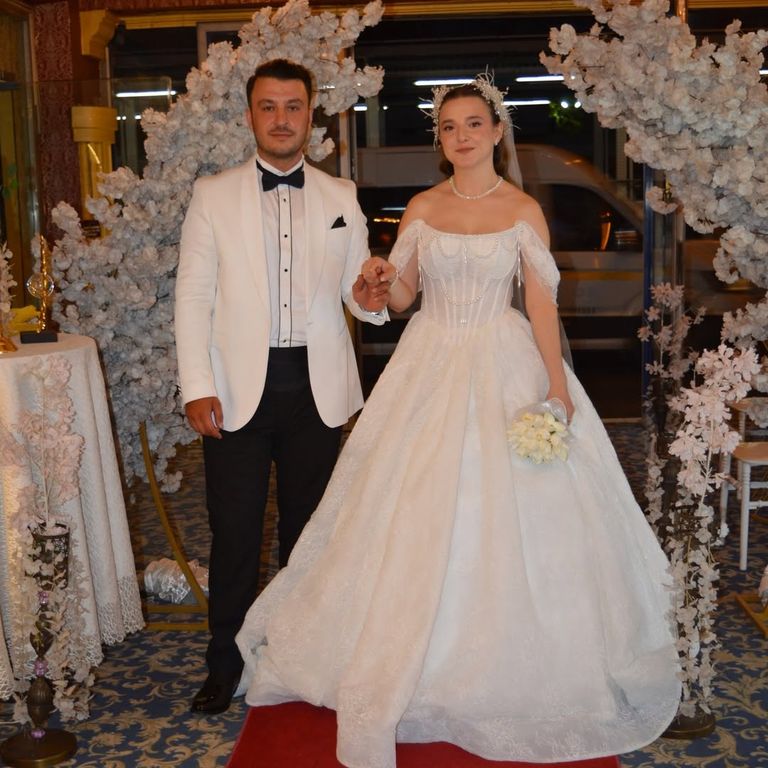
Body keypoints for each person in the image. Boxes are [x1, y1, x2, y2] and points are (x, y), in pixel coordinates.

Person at [235, 74, 681, 766]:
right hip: (429, 361)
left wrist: (556, 387)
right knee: (406, 502)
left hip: (502, 359)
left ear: (498, 131)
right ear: (439, 140)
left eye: (474, 124)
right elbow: (402, 295)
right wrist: (376, 283)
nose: (462, 136)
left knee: (508, 507)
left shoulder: (524, 211)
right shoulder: (423, 206)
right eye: (449, 127)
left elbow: (540, 305)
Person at [175, 58, 390, 716]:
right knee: (235, 534)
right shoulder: (213, 195)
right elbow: (193, 297)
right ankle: (226, 664)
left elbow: (360, 297)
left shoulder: (341, 195)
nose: (280, 118)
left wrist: (369, 296)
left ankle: (299, 658)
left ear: (309, 113)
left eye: (292, 106)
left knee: (308, 535)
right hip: (235, 390)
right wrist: (196, 385)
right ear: (250, 116)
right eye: (268, 107)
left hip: (316, 390)